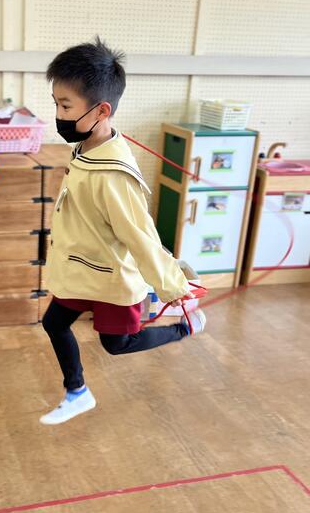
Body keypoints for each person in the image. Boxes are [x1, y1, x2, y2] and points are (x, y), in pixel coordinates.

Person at [40, 37, 206, 426]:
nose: (59, 115)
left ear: (102, 110)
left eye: (66, 106)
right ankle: (77, 392)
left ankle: (186, 328)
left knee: (117, 345)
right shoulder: (88, 145)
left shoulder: (115, 176)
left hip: (112, 276)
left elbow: (141, 237)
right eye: (56, 104)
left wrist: (173, 286)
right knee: (54, 323)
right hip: (81, 268)